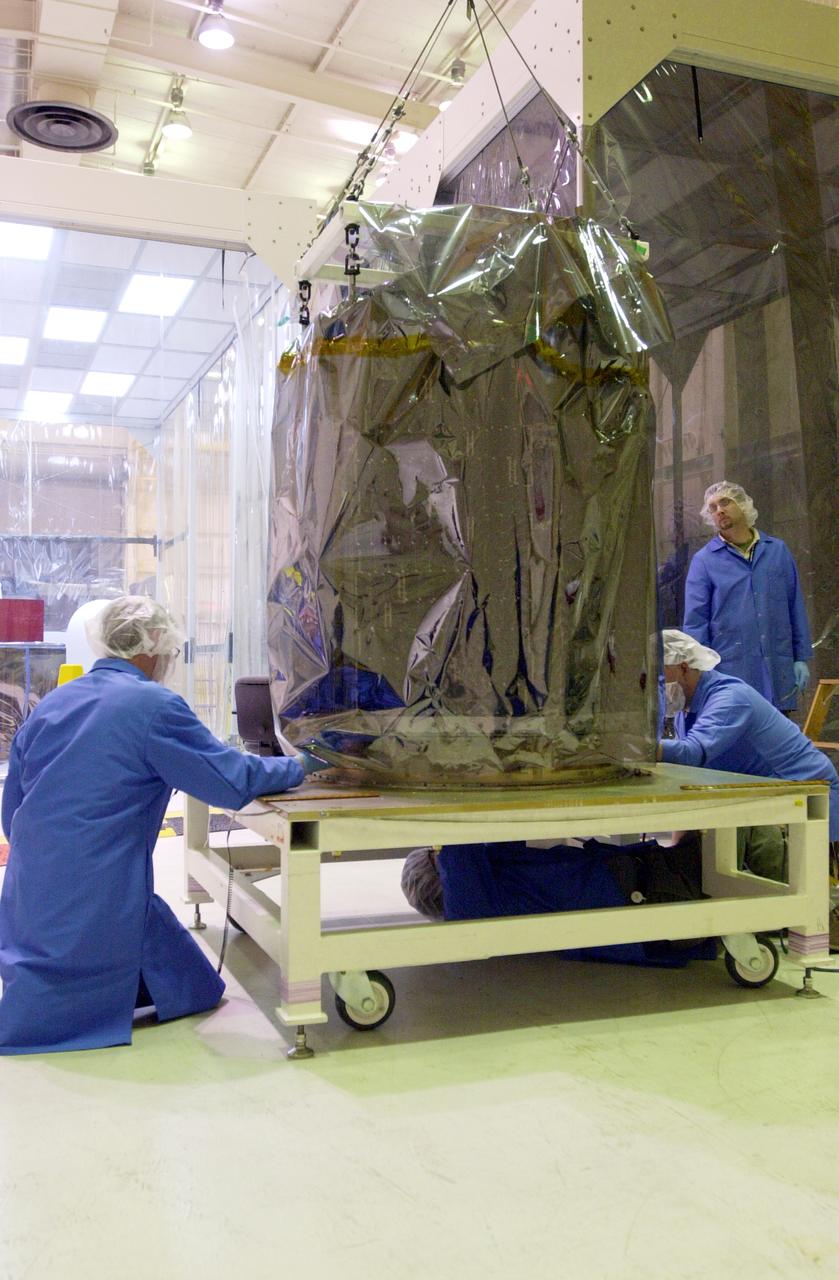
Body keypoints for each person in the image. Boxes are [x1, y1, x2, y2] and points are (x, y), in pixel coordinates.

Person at [0, 596, 325, 1056]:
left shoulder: (54, 703)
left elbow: (12, 808)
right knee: (185, 986)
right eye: (170, 653)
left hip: (26, 895)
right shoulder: (153, 706)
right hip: (96, 900)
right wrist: (301, 765)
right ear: (151, 648)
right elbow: (232, 779)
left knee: (192, 982)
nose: (169, 664)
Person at [659, 629, 839, 898]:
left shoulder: (730, 698)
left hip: (807, 800)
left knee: (763, 882)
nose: (657, 687)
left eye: (662, 678)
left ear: (684, 667)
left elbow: (691, 754)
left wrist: (630, 746)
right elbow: (690, 775)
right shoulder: (689, 708)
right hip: (764, 800)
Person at [400, 840, 716, 968]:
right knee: (721, 845)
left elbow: (499, 839)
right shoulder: (467, 901)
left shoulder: (488, 892)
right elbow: (458, 829)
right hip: (638, 889)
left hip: (632, 887)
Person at [682, 480, 811, 712]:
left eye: (725, 502)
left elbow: (794, 606)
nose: (718, 510)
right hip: (731, 673)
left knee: (779, 743)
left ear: (743, 504)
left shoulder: (777, 551)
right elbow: (696, 622)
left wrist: (800, 657)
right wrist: (700, 673)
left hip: (778, 671)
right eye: (712, 507)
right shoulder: (704, 561)